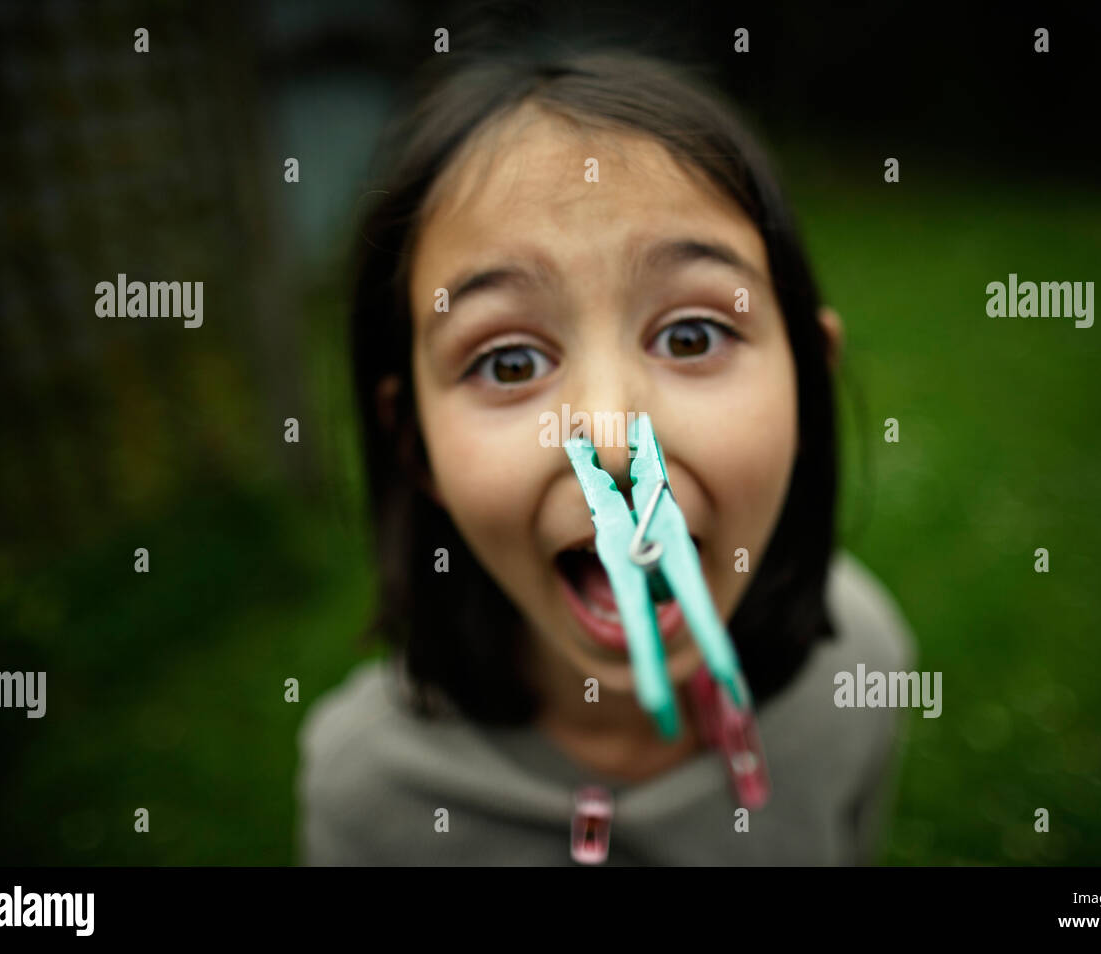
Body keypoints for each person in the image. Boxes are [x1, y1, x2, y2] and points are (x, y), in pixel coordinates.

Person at [297, 48, 916, 865]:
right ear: (415, 447)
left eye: (691, 336)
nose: (615, 440)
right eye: (510, 363)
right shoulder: (370, 796)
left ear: (806, 383)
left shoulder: (863, 664)